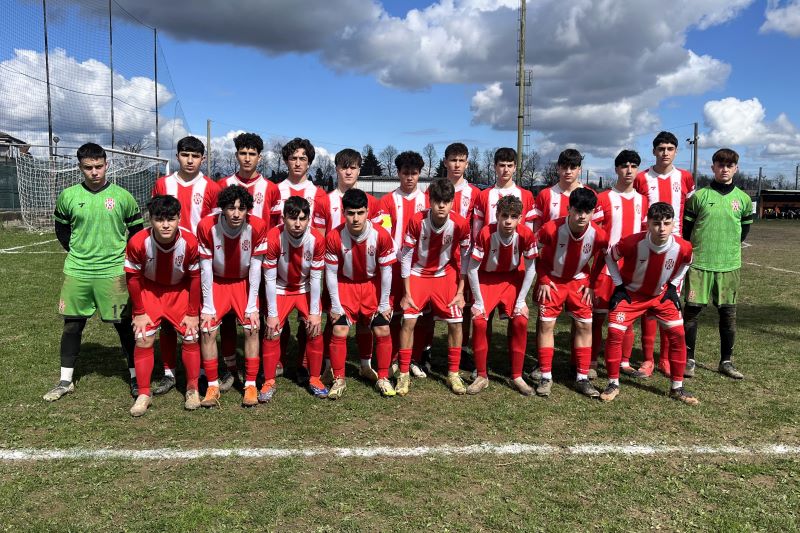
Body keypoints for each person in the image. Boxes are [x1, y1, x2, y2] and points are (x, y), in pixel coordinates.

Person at [44, 142, 143, 402]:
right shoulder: (68, 196)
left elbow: (137, 231)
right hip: (78, 271)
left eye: (99, 166)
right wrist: (77, 252)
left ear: (106, 165)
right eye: (88, 167)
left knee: (124, 326)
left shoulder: (123, 196)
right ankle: (65, 381)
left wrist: (124, 257)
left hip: (113, 271)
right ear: (80, 168)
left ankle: (136, 378)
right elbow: (61, 228)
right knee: (72, 326)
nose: (95, 172)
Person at [600, 202, 698, 405]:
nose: (661, 228)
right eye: (656, 223)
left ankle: (677, 388)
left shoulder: (683, 247)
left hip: (660, 296)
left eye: (666, 223)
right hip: (631, 295)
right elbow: (610, 256)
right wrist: (619, 286)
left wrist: (673, 285)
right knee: (615, 333)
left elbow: (688, 262)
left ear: (673, 224)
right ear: (648, 224)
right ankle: (613, 383)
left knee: (678, 336)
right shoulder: (632, 242)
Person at [150, 136, 219, 396]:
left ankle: (199, 371)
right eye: (185, 155)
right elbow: (157, 218)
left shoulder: (211, 187)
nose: (190, 160)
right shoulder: (163, 184)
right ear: (177, 156)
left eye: (195, 156)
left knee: (198, 314)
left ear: (203, 159)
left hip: (198, 260)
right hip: (167, 257)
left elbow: (213, 226)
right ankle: (169, 372)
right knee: (167, 319)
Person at [124, 195, 201, 416]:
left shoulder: (190, 242)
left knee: (191, 335)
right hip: (150, 291)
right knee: (143, 338)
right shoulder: (138, 242)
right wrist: (139, 312)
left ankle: (192, 389)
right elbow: (133, 278)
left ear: (179, 218)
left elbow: (195, 278)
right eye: (159, 219)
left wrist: (192, 313)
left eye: (171, 219)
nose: (165, 225)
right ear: (151, 220)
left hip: (179, 291)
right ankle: (144, 394)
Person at [682, 148, 753, 379]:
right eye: (720, 165)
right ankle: (688, 360)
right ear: (713, 167)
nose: (724, 169)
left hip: (729, 265)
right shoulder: (699, 197)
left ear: (736, 169)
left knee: (728, 315)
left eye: (729, 165)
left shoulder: (743, 199)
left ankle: (726, 362)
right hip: (700, 264)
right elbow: (686, 231)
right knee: (692, 312)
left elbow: (743, 232)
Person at [196, 185, 268, 408]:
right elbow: (205, 268)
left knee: (252, 327)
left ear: (248, 209)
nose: (236, 213)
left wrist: (252, 305)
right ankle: (212, 385)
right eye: (231, 208)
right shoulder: (206, 226)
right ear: (222, 209)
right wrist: (208, 306)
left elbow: (256, 269)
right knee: (207, 329)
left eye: (241, 208)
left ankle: (251, 384)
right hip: (217, 282)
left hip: (243, 283)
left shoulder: (258, 226)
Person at [398, 178, 471, 395]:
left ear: (452, 203)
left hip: (444, 275)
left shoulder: (460, 224)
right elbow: (406, 255)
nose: (441, 206)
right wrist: (406, 292)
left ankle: (453, 373)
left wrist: (461, 291)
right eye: (437, 201)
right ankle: (403, 373)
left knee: (456, 322)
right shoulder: (417, 220)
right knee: (408, 320)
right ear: (430, 201)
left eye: (446, 201)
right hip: (418, 273)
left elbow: (465, 257)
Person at [218, 133, 281, 386]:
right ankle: (230, 365)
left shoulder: (271, 188)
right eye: (243, 153)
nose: (247, 158)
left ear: (259, 157)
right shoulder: (223, 184)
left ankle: (261, 363)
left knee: (261, 312)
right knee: (226, 317)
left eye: (252, 154)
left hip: (260, 261)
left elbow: (275, 227)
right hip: (228, 262)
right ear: (236, 155)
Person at [534, 188, 608, 398]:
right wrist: (543, 278)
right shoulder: (551, 229)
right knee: (547, 325)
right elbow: (532, 251)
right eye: (578, 211)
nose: (582, 216)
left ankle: (582, 378)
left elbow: (603, 257)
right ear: (569, 209)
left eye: (587, 211)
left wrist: (592, 283)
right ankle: (546, 376)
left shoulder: (599, 235)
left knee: (585, 326)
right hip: (553, 281)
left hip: (579, 282)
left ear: (593, 212)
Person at [633, 131, 695, 377]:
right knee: (649, 302)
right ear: (654, 151)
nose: (665, 153)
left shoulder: (685, 177)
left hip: (675, 250)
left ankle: (666, 359)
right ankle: (648, 359)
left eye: (670, 148)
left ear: (676, 151)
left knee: (670, 302)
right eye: (661, 149)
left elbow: (690, 211)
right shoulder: (642, 178)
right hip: (648, 247)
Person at [325, 189, 397, 399]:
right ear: (344, 213)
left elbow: (387, 272)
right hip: (345, 285)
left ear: (367, 212)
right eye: (350, 213)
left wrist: (384, 303)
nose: (355, 218)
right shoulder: (334, 236)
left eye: (360, 213)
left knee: (382, 328)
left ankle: (381, 377)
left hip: (372, 285)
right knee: (339, 329)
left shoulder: (381, 235)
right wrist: (335, 305)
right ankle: (339, 379)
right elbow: (330, 273)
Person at [321, 148, 382, 383]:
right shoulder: (324, 200)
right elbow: (319, 237)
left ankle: (366, 364)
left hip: (365, 274)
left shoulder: (372, 202)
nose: (348, 171)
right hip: (335, 272)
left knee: (366, 321)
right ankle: (329, 366)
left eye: (353, 167)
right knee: (333, 319)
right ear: (336, 169)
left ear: (359, 170)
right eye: (344, 167)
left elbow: (379, 236)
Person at [466, 195, 538, 395]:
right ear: (497, 215)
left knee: (521, 320)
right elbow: (472, 268)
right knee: (479, 321)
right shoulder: (485, 233)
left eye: (513, 216)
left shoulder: (526, 234)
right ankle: (482, 376)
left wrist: (521, 300)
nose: (508, 221)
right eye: (504, 215)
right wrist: (478, 301)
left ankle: (517, 376)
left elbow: (531, 268)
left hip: (511, 279)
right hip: (487, 278)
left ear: (520, 218)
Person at [272, 138, 331, 380]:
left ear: (309, 163)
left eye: (302, 159)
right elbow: (271, 229)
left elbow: (321, 233)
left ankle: (304, 363)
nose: (297, 163)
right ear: (286, 161)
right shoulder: (275, 190)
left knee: (309, 319)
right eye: (293, 158)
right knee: (278, 318)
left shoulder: (319, 194)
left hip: (308, 269)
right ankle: (278, 361)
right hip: (280, 266)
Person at [260, 196, 327, 401]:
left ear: (308, 219)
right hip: (280, 287)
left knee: (315, 329)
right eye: (292, 218)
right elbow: (269, 278)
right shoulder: (273, 236)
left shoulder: (317, 239)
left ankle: (314, 379)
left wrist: (314, 313)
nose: (297, 223)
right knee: (271, 331)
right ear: (283, 218)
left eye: (302, 218)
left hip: (305, 287)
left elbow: (316, 278)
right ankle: (269, 381)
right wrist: (272, 315)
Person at [591, 150, 649, 378]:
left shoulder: (643, 201)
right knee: (598, 317)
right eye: (624, 166)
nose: (629, 170)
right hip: (604, 269)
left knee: (628, 319)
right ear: (616, 169)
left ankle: (624, 362)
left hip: (631, 270)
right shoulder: (604, 198)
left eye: (633, 166)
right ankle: (592, 360)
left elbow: (645, 235)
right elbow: (595, 232)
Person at [377, 151, 429, 369]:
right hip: (395, 266)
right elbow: (384, 232)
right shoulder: (388, 200)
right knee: (394, 313)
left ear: (419, 174)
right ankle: (393, 358)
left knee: (418, 315)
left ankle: (415, 357)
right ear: (398, 173)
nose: (409, 177)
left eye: (414, 173)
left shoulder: (427, 201)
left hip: (420, 268)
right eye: (405, 173)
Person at [472, 147, 535, 237]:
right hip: (490, 244)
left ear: (515, 167)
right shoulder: (483, 195)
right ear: (495, 167)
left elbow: (529, 233)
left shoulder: (527, 195)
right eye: (502, 165)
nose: (506, 170)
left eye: (510, 166)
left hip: (517, 245)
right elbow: (477, 232)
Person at [532, 148, 590, 231]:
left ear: (579, 169)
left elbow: (595, 230)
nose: (568, 171)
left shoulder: (590, 195)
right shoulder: (545, 195)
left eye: (573, 168)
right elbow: (537, 228)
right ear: (558, 168)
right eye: (564, 167)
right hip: (550, 240)